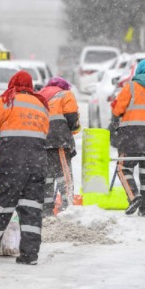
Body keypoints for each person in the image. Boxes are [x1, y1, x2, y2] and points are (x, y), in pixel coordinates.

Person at [0, 70, 49, 264]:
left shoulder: (7, 99)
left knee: (1, 207)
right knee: (32, 210)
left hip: (11, 164)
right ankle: (29, 254)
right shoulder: (41, 104)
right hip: (37, 165)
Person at [111, 59, 145, 216]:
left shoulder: (131, 87)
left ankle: (133, 195)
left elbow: (117, 109)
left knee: (123, 168)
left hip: (131, 134)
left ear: (138, 72)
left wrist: (116, 117)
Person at [37, 76, 80, 216]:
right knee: (64, 174)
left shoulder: (39, 95)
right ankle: (68, 207)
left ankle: (46, 208)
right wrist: (74, 129)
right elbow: (72, 117)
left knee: (47, 175)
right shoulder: (65, 94)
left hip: (41, 140)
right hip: (59, 139)